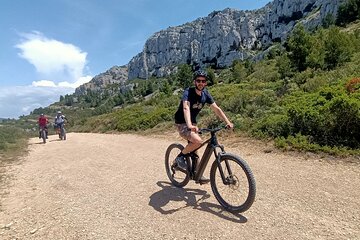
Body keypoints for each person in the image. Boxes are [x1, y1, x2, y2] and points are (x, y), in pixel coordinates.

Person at [174, 70, 234, 184]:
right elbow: (185, 108)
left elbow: (216, 109)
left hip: (192, 123)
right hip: (182, 122)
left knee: (195, 149)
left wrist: (227, 121)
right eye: (198, 81)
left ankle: (197, 174)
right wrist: (189, 125)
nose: (201, 83)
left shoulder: (205, 94)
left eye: (203, 81)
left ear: (206, 83)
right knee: (197, 141)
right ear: (194, 82)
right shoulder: (188, 92)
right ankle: (180, 157)